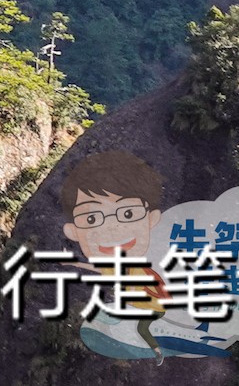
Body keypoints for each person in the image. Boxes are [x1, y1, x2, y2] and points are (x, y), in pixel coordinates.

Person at [60, 149, 171, 361]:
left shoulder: (137, 268)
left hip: (152, 308)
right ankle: (154, 351)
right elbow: (95, 268)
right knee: (132, 325)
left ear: (151, 218)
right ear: (73, 231)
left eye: (127, 213)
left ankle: (150, 350)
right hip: (146, 308)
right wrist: (73, 263)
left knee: (127, 322)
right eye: (91, 218)